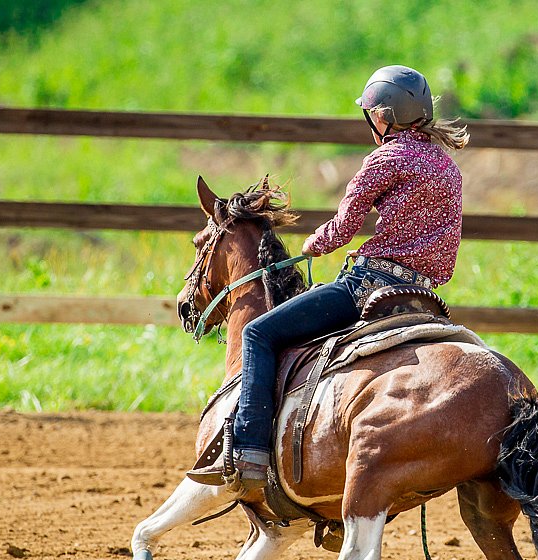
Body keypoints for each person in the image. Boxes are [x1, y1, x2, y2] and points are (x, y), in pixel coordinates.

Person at [188, 65, 469, 490]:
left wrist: (312, 245)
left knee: (260, 335)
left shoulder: (385, 159)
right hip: (421, 295)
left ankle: (246, 449)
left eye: (373, 113)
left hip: (368, 287)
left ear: (384, 117)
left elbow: (343, 226)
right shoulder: (447, 166)